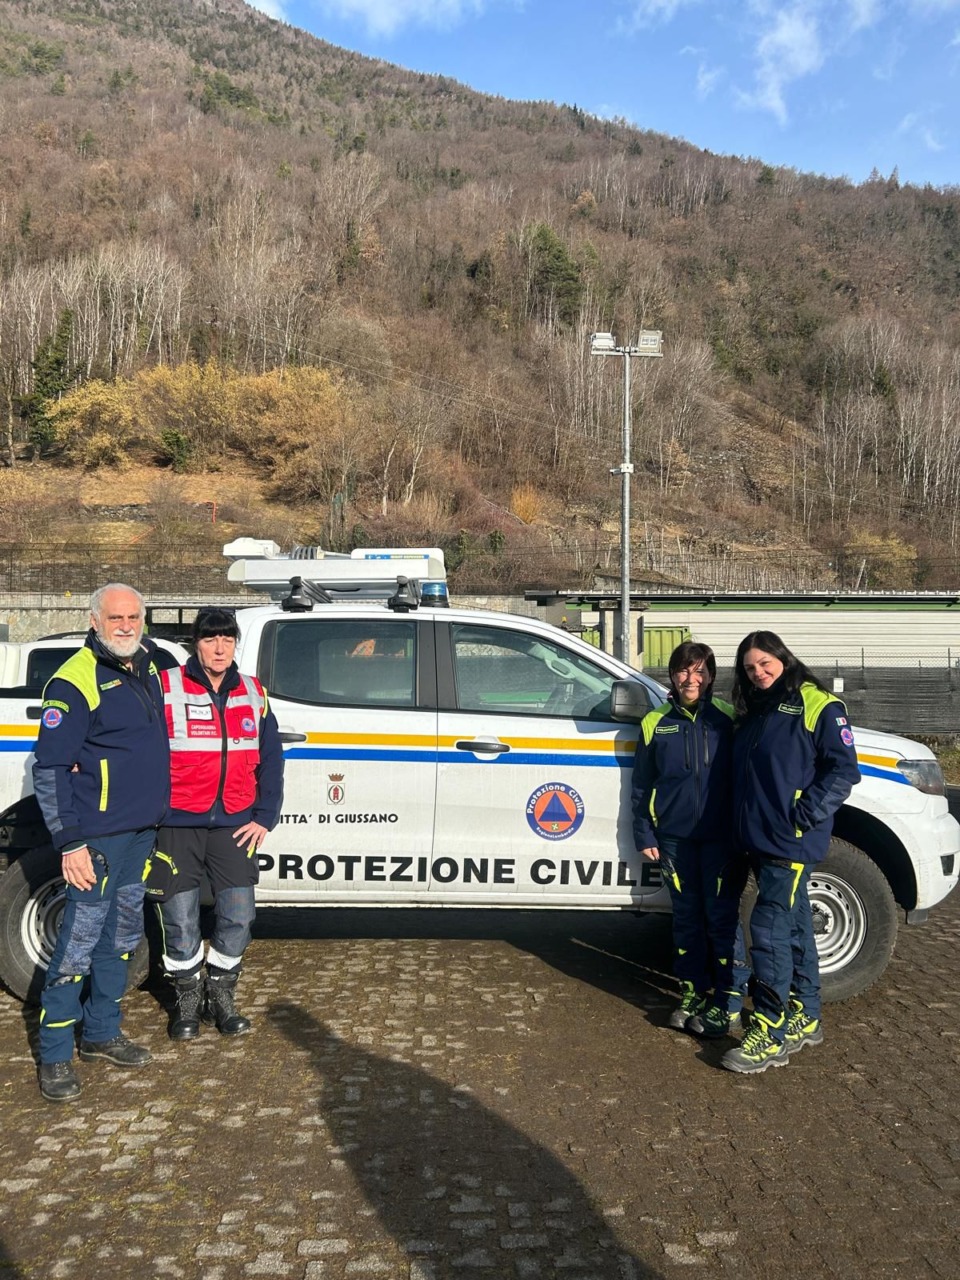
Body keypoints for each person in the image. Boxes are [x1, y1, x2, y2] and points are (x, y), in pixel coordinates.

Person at [32, 583, 175, 1103]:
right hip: (95, 838)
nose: (126, 625)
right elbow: (49, 770)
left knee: (120, 936)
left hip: (141, 833)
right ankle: (53, 1055)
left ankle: (100, 1033)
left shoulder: (148, 665)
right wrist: (69, 843)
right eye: (115, 617)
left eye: (134, 616)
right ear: (93, 620)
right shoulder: (74, 680)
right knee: (78, 942)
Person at [722, 631, 861, 1074]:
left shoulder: (817, 704)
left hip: (789, 841)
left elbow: (843, 770)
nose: (758, 673)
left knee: (768, 929)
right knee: (796, 924)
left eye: (765, 663)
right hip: (760, 839)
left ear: (783, 658)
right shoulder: (756, 711)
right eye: (749, 668)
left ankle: (770, 1027)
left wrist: (804, 814)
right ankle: (807, 1014)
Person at [147, 607, 283, 1041]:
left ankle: (221, 995)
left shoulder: (253, 691)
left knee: (239, 915)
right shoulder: (165, 686)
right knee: (180, 919)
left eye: (227, 639)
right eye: (210, 639)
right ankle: (187, 999)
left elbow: (273, 760)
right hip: (178, 824)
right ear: (196, 643)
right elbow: (137, 748)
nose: (220, 647)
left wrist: (264, 817)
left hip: (234, 825)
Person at [631, 641, 749, 1038]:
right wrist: (645, 832)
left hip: (721, 842)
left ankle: (728, 1000)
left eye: (699, 671)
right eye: (683, 670)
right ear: (672, 675)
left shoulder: (728, 720)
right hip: (675, 841)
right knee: (686, 921)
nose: (690, 679)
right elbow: (641, 785)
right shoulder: (654, 722)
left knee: (721, 920)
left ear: (711, 675)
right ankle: (692, 993)